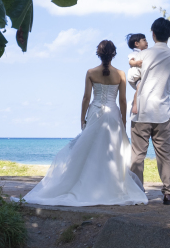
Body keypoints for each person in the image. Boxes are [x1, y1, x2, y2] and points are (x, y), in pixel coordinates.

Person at [21, 40, 148, 206]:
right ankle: (110, 186)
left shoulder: (90, 72)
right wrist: (123, 121)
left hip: (95, 112)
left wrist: (82, 118)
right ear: (113, 54)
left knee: (90, 148)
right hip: (113, 115)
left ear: (98, 54)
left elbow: (86, 98)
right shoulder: (121, 74)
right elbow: (123, 101)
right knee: (111, 150)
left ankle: (87, 184)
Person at [130, 17, 170, 205]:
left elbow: (132, 77)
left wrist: (142, 85)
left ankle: (137, 192)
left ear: (152, 33)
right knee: (165, 154)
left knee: (138, 154)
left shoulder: (143, 55)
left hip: (142, 111)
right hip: (162, 111)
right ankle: (168, 193)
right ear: (169, 35)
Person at [125, 33, 148, 115]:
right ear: (136, 44)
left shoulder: (146, 52)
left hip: (141, 75)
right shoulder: (134, 53)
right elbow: (130, 61)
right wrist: (136, 63)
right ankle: (135, 105)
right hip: (136, 77)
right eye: (144, 40)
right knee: (139, 87)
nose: (147, 42)